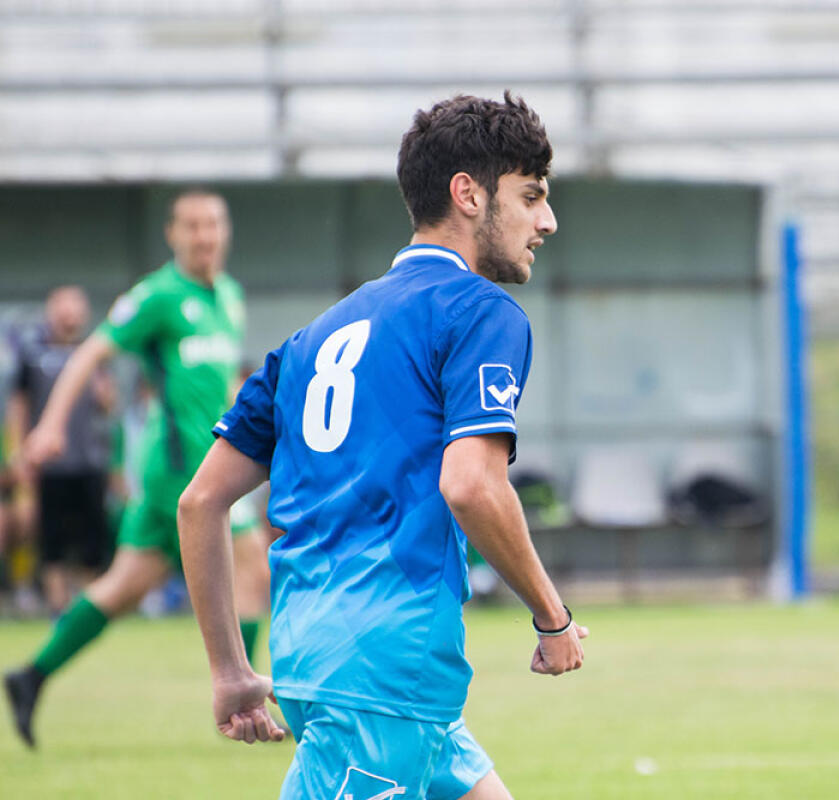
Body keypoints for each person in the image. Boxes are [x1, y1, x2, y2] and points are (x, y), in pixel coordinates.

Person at [178, 91, 587, 800]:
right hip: (384, 673)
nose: (546, 221)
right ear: (467, 194)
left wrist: (230, 670)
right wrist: (553, 617)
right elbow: (472, 485)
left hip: (324, 656)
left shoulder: (308, 341)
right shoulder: (480, 313)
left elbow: (201, 502)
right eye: (531, 196)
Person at [3, 189, 270, 748]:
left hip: (203, 464)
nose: (204, 236)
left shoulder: (229, 295)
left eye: (213, 224)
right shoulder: (157, 296)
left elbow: (217, 384)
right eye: (192, 226)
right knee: (252, 568)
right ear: (173, 234)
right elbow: (90, 354)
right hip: (182, 470)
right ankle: (243, 697)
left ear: (226, 231)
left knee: (123, 588)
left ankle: (31, 676)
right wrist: (50, 426)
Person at [6, 286, 116, 614]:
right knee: (51, 539)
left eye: (76, 308)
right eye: (63, 308)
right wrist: (19, 451)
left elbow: (108, 405)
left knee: (92, 540)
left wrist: (101, 388)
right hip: (51, 464)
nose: (70, 315)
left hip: (89, 462)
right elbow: (19, 406)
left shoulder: (93, 353)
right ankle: (56, 607)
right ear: (52, 311)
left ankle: (87, 609)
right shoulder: (33, 354)